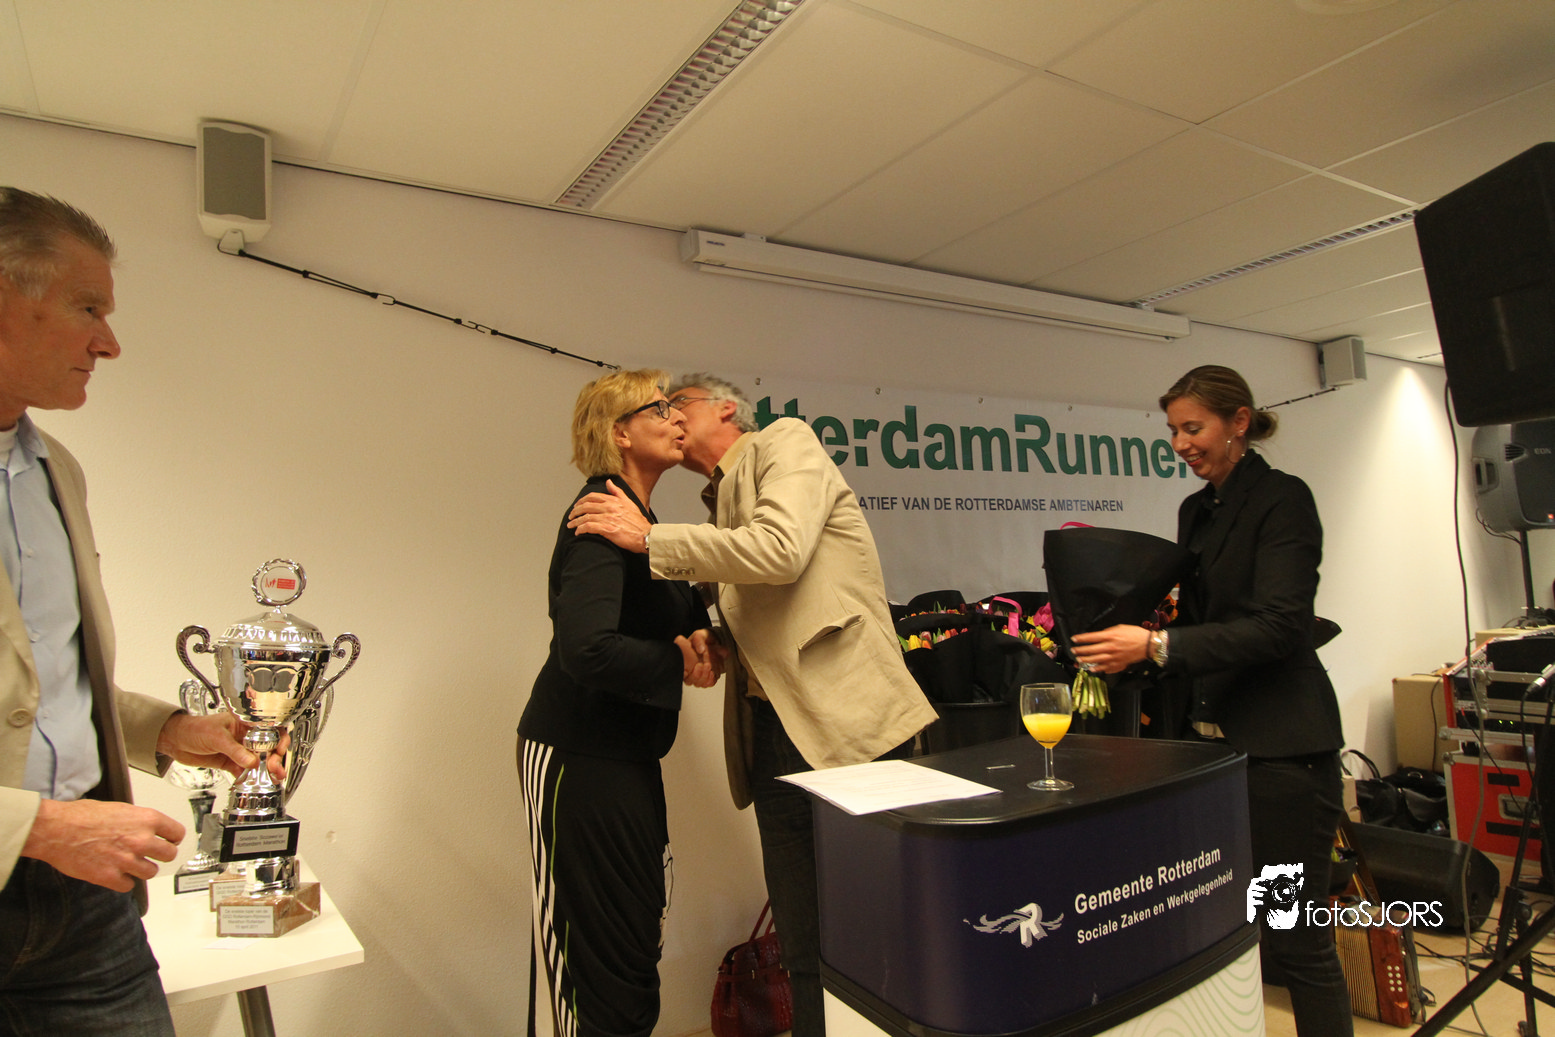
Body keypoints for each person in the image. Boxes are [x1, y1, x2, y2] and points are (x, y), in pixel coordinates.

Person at [567, 373, 937, 1037]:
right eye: (659, 409)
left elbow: (781, 551)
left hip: (847, 723)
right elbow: (770, 608)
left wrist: (649, 540)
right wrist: (715, 641)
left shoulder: (784, 442)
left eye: (677, 404)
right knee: (803, 940)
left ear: (725, 408)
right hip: (773, 729)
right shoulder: (718, 501)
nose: (671, 419)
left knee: (878, 925)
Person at [0, 187, 284, 1034]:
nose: (109, 342)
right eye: (87, 308)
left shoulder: (56, 471)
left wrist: (164, 729)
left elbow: (43, 682)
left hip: (86, 902)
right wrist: (35, 826)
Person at [1070, 364, 1350, 1037]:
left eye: (1192, 428)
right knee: (1226, 926)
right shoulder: (1195, 512)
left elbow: (1279, 626)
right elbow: (1198, 628)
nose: (1179, 444)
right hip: (1214, 752)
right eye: (1172, 430)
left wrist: (1155, 645)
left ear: (1239, 421)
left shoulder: (1282, 500)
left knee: (1292, 938)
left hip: (1282, 756)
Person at [518, 369, 720, 1037]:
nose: (676, 416)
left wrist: (699, 636)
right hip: (577, 754)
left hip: (625, 753)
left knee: (634, 938)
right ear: (619, 433)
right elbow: (586, 649)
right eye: (657, 408)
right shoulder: (600, 515)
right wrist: (678, 659)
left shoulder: (639, 522)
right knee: (595, 963)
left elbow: (669, 609)